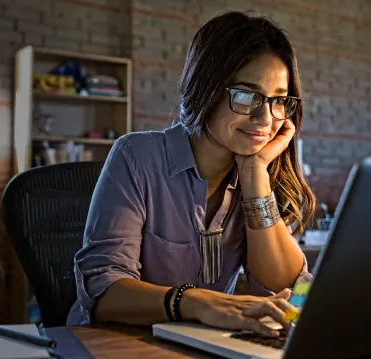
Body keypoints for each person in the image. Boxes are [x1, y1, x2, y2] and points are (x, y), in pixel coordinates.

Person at [66, 11, 316, 337]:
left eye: (278, 100)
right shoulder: (137, 157)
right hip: (112, 344)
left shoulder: (258, 175)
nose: (265, 118)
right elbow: (103, 289)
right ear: (206, 87)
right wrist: (194, 303)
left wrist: (256, 179)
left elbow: (295, 290)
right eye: (245, 95)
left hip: (196, 348)